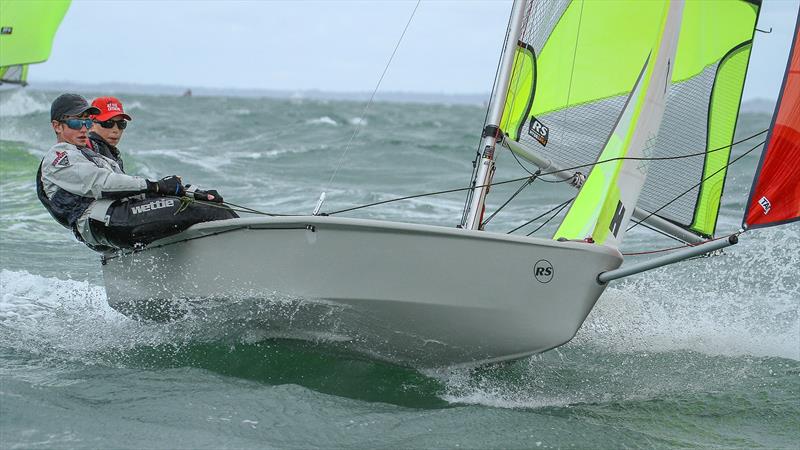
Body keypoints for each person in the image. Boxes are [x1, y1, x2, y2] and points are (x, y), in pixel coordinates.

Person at [37, 93, 237, 252]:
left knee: (206, 205)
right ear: (57, 126)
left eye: (87, 122)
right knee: (204, 211)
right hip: (103, 223)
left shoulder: (89, 154)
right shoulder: (58, 157)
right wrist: (156, 185)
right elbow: (103, 183)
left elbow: (127, 189)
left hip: (112, 219)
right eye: (75, 123)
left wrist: (190, 192)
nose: (83, 128)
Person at [87, 96, 129, 170]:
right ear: (91, 124)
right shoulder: (87, 152)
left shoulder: (111, 153)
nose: (115, 130)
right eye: (108, 123)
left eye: (121, 124)